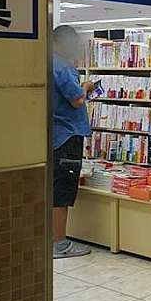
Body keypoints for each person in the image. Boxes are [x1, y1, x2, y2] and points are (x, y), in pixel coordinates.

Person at [52, 26, 93, 259]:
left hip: (53, 135)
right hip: (67, 134)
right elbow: (77, 100)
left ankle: (53, 239)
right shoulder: (63, 66)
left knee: (54, 187)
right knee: (63, 190)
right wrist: (86, 87)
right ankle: (60, 244)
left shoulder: (45, 62)